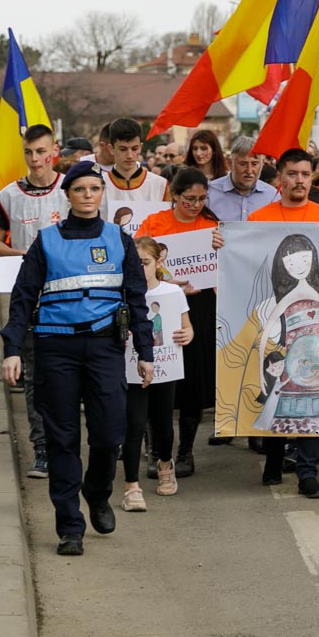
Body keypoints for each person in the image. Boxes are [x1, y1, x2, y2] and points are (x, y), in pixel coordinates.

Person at [0, 160, 155, 556]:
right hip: (56, 350)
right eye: (80, 190)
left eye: (94, 189)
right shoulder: (46, 240)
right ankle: (70, 525)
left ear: (102, 194)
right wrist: (12, 349)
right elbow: (22, 299)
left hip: (104, 349)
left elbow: (137, 299)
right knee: (62, 440)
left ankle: (98, 494)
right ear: (67, 195)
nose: (88, 196)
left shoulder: (118, 240)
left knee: (108, 435)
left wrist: (145, 352)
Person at [246, 148, 319, 497]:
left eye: (305, 174)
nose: (299, 180)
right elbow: (243, 265)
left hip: (314, 341)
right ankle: (273, 458)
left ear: (312, 176)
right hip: (279, 331)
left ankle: (307, 472)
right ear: (279, 178)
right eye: (292, 174)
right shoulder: (258, 220)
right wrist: (222, 244)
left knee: (308, 400)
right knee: (281, 399)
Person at [0, 124, 71, 479]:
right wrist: (20, 253)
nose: (35, 160)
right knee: (34, 376)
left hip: (68, 299)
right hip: (29, 300)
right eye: (29, 153)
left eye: (41, 152)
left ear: (54, 150)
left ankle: (66, 445)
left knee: (67, 377)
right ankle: (41, 449)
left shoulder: (71, 189)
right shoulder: (9, 195)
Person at [136, 169, 227, 477]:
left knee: (194, 378)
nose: (196, 204)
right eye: (189, 198)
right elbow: (140, 261)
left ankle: (185, 449)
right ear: (174, 195)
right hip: (160, 303)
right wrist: (171, 280)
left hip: (199, 306)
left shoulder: (211, 226)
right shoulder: (155, 224)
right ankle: (155, 450)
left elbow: (224, 268)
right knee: (156, 373)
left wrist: (221, 249)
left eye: (202, 198)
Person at [121, 235, 195, 510]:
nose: (139, 268)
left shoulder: (171, 292)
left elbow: (187, 326)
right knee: (134, 424)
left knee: (163, 423)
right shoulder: (121, 293)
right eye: (134, 263)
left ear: (158, 262)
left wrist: (187, 334)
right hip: (132, 368)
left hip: (166, 367)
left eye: (145, 262)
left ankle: (165, 463)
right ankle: (131, 485)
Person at [101, 118, 167, 220]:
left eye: (134, 149)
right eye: (123, 149)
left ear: (140, 147)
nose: (129, 155)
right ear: (111, 149)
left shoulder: (160, 185)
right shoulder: (99, 185)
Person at [207, 135, 277, 222]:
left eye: (254, 164)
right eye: (243, 164)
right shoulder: (210, 193)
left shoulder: (272, 196)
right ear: (229, 164)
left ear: (262, 164)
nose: (249, 171)